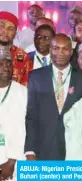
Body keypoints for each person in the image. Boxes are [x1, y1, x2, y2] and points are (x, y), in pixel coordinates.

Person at [25, 34, 82, 160]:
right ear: (50, 50)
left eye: (65, 49)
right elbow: (31, 115)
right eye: (56, 48)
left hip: (76, 149)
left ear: (71, 51)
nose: (60, 53)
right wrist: (30, 150)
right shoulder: (36, 77)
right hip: (44, 147)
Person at [0, 46, 26, 180]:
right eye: (0, 64)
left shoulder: (23, 93)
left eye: (8, 64)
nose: (5, 67)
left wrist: (11, 162)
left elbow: (23, 129)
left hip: (15, 160)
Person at [0, 11, 33, 86]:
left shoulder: (23, 57)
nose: (5, 31)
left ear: (15, 33)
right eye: (1, 26)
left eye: (10, 28)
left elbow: (26, 88)